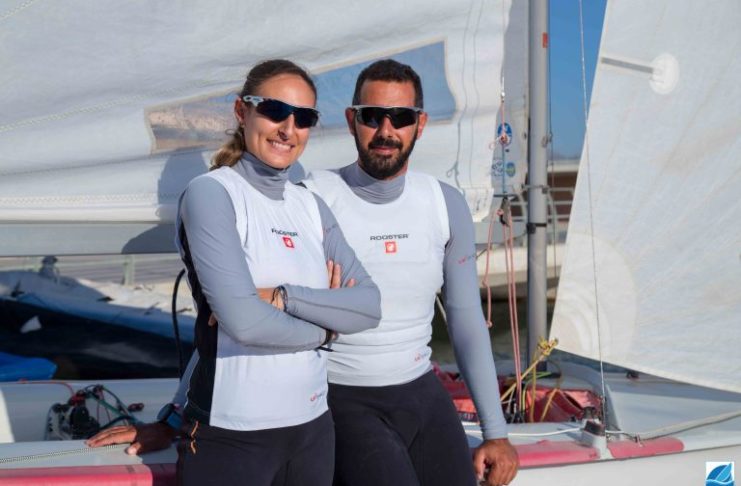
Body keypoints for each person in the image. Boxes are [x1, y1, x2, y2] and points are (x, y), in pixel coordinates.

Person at [89, 60, 518, 486]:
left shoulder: (441, 203)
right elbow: (224, 322)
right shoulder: (312, 195)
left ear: (420, 124)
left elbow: (460, 318)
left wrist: (495, 432)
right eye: (372, 116)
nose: (386, 130)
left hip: (414, 391)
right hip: (341, 396)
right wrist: (175, 416)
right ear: (351, 120)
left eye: (401, 117)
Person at [117, 59, 380, 486]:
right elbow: (244, 322)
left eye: (304, 118)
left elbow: (368, 306)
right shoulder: (212, 194)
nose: (288, 128)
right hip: (232, 436)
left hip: (313, 429)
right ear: (243, 111)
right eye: (275, 110)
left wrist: (281, 297)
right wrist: (327, 330)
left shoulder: (310, 205)